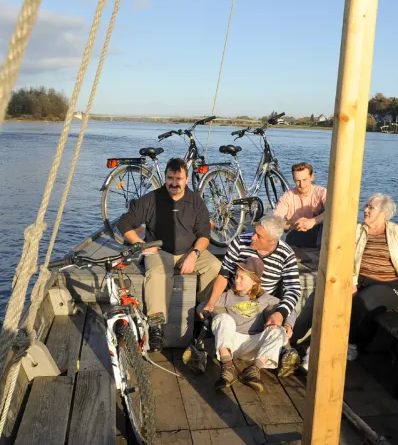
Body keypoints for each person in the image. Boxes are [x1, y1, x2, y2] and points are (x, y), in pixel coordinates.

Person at [291, 192, 398, 368]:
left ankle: (350, 346)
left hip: (390, 285)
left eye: (370, 207)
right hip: (359, 281)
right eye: (366, 205)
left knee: (361, 301)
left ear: (383, 213)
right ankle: (295, 343)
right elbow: (345, 258)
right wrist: (352, 282)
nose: (365, 209)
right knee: (321, 297)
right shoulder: (357, 231)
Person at [118, 158, 221, 353]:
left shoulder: (196, 202)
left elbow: (205, 236)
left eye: (178, 178)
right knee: (157, 273)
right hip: (160, 250)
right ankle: (156, 328)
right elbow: (124, 224)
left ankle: (202, 312)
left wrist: (194, 254)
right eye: (170, 178)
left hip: (190, 250)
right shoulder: (151, 199)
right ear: (165, 177)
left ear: (186, 179)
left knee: (215, 266)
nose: (174, 183)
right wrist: (141, 245)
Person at [201, 215, 301, 376]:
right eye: (255, 232)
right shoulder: (240, 241)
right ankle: (281, 352)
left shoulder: (286, 254)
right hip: (236, 298)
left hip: (263, 304)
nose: (253, 237)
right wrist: (211, 302)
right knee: (219, 315)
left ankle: (275, 354)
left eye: (259, 236)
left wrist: (281, 315)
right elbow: (224, 273)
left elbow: (293, 289)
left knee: (287, 311)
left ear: (272, 241)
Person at [199, 257, 297, 392]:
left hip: (255, 345)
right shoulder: (228, 296)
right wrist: (205, 310)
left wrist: (288, 326)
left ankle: (254, 369)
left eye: (242, 278)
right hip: (231, 343)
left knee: (277, 330)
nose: (236, 280)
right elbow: (204, 306)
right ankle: (227, 366)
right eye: (236, 276)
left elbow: (290, 310)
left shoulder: (265, 298)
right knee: (223, 319)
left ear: (254, 282)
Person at [272, 162, 327, 250]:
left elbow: (334, 211)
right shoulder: (287, 196)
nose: (302, 185)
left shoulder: (321, 192)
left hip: (317, 233)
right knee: (271, 227)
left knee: (327, 213)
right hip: (295, 232)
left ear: (312, 177)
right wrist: (295, 225)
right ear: (294, 180)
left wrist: (312, 221)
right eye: (298, 181)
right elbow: (275, 220)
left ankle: (321, 252)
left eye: (305, 180)